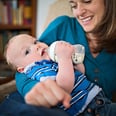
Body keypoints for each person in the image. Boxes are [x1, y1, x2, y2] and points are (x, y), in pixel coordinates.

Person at [0, 0, 116, 115]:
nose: (79, 12)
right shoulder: (62, 26)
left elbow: (79, 72)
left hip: (100, 103)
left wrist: (72, 61)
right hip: (70, 108)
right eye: (73, 5)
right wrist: (36, 90)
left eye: (87, 1)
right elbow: (23, 70)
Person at [4, 34, 116, 116]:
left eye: (35, 41)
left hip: (99, 101)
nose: (36, 46)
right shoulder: (38, 70)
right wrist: (64, 59)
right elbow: (63, 88)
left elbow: (80, 74)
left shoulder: (52, 61)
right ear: (22, 69)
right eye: (27, 52)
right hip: (86, 109)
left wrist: (76, 61)